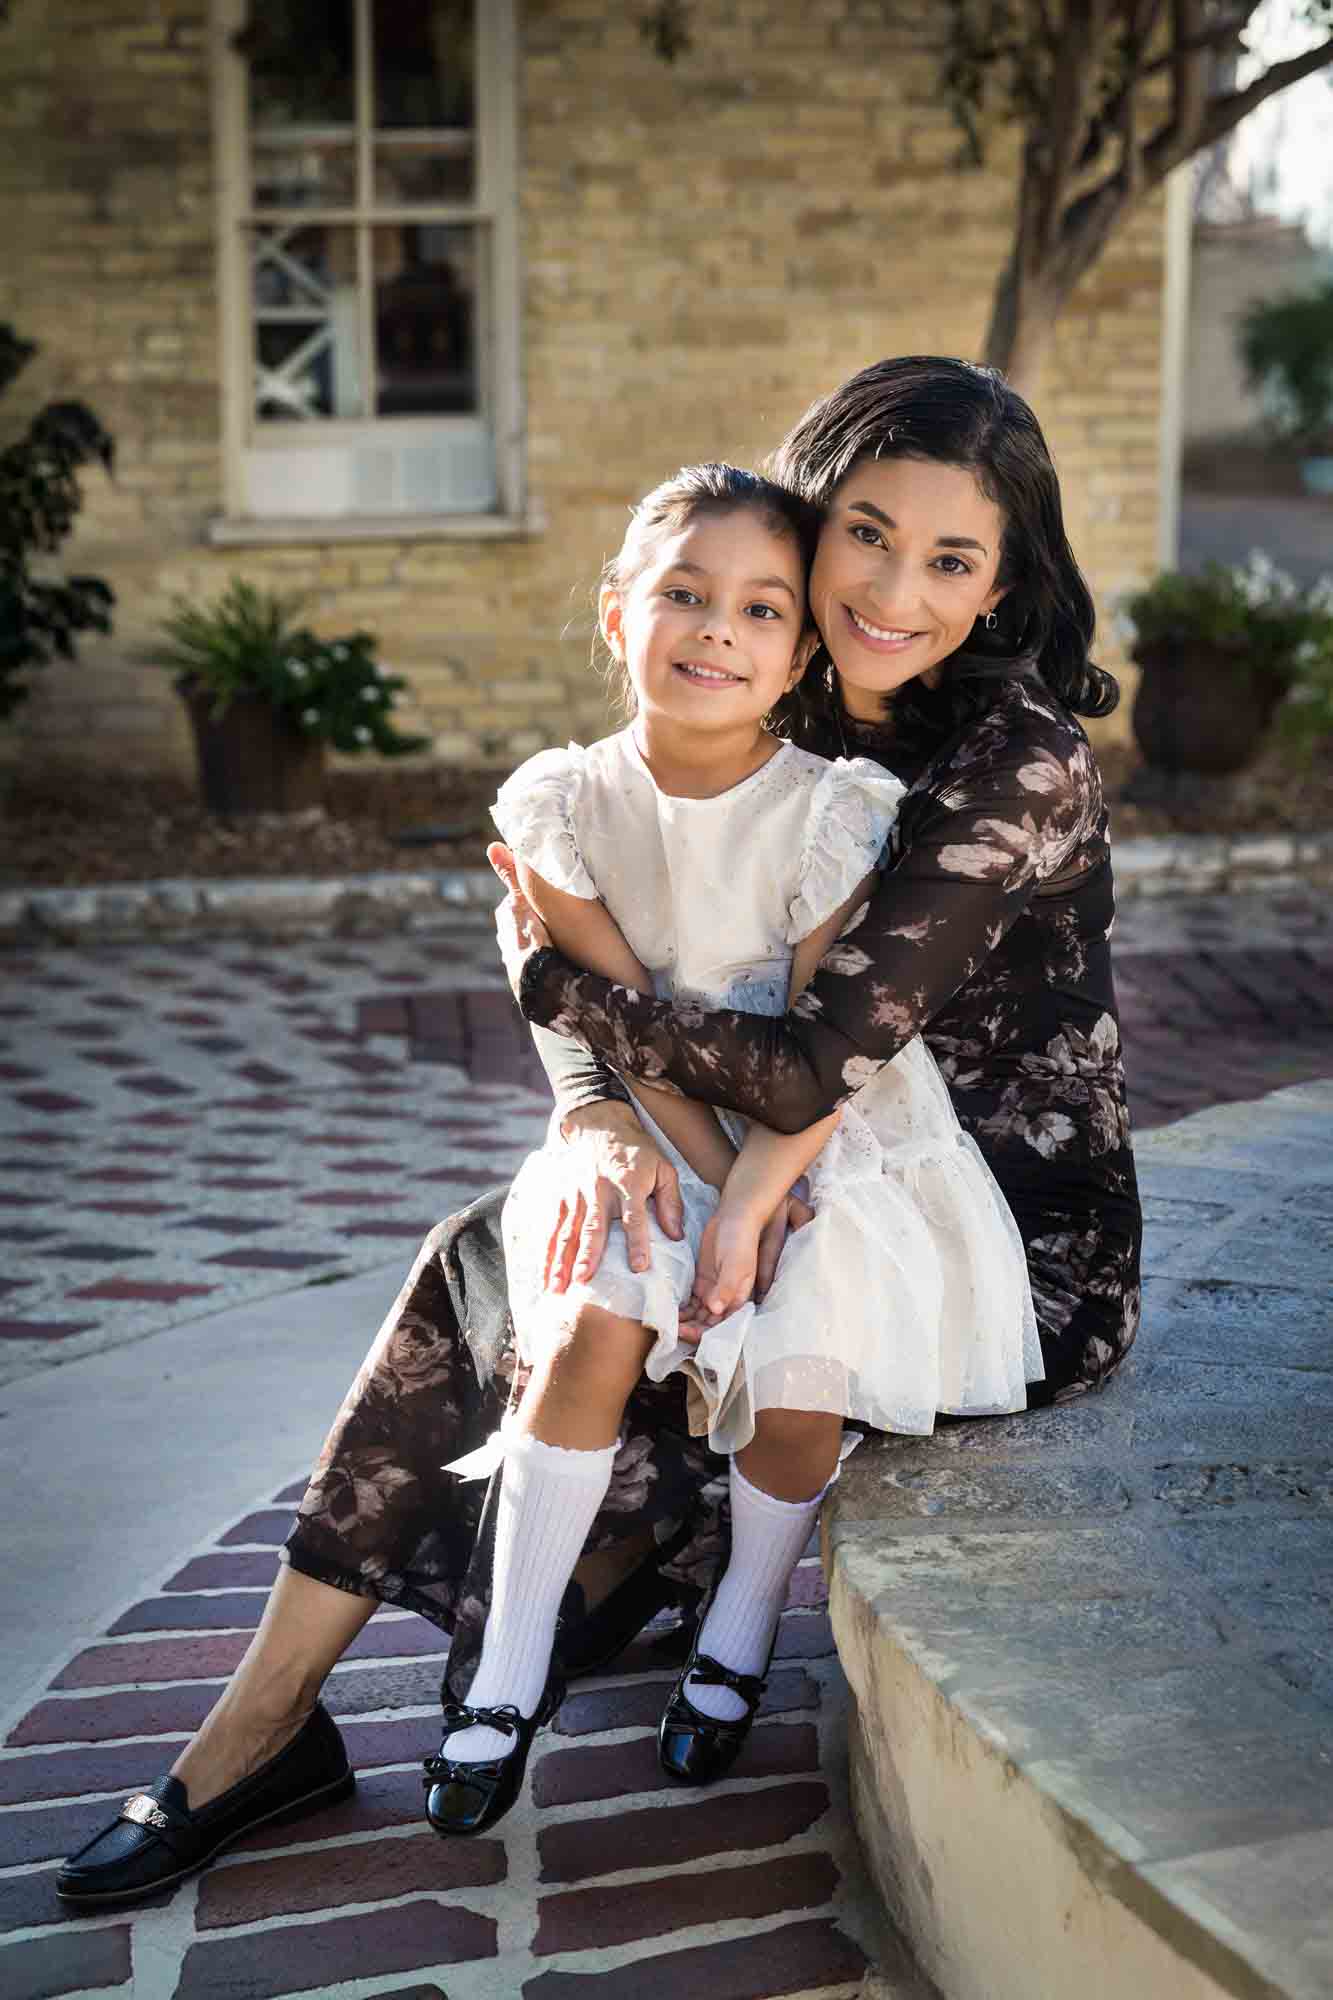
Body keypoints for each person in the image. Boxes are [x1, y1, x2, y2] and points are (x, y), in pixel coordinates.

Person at [58, 356, 1140, 1905]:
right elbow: (588, 879)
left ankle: (400, 1696)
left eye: (949, 559)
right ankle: (259, 1725)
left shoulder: (1008, 756)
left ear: (1004, 583)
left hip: (982, 1235)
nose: (891, 589)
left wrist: (557, 979)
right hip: (753, 1162)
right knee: (528, 1246)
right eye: (864, 534)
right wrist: (586, 1113)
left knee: (523, 1303)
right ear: (806, 524)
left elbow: (802, 1062)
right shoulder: (771, 667)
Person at [419, 461, 1041, 1836]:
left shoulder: (830, 809)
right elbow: (599, 1012)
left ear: (799, 651)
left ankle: (740, 1632)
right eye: (684, 595)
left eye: (762, 609)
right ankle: (507, 1673)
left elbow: (829, 1048)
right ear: (613, 614)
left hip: (819, 1125)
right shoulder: (559, 802)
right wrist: (673, 1174)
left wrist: (749, 1202)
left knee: (802, 1351)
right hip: (649, 1117)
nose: (717, 629)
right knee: (590, 1318)